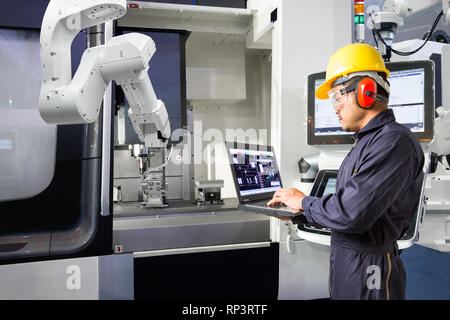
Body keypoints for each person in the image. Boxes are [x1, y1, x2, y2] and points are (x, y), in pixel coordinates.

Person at [267, 43, 424, 300]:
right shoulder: (365, 142)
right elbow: (346, 211)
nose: (335, 107)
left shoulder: (394, 142)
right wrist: (299, 214)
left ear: (366, 90)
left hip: (370, 268)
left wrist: (304, 202)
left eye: (338, 96)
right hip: (350, 261)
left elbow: (351, 213)